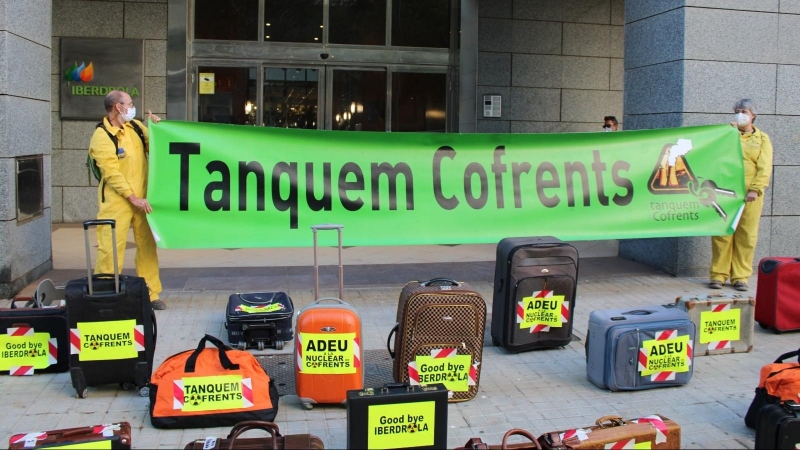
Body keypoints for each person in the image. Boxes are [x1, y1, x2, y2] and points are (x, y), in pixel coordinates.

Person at [89, 91, 165, 309]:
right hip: (117, 202)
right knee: (110, 248)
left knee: (147, 248)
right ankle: (106, 295)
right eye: (130, 104)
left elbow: (158, 148)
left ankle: (151, 295)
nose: (133, 107)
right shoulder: (102, 136)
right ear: (118, 108)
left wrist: (157, 128)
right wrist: (131, 197)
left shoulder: (136, 128)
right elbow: (111, 172)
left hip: (143, 201)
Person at [709, 98, 773, 291]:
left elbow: (764, 167)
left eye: (744, 111)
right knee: (721, 234)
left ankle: (740, 277)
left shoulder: (762, 139)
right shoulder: (728, 134)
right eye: (737, 110)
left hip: (750, 194)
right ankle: (718, 275)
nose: (740, 114)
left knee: (746, 235)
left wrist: (755, 189)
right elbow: (715, 157)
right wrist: (728, 133)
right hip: (725, 192)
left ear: (753, 115)